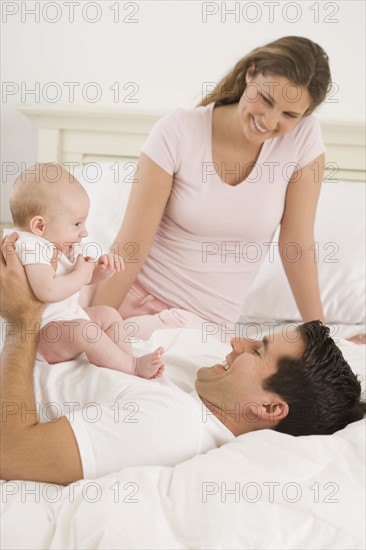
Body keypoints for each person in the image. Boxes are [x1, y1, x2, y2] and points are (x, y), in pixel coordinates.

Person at [1, 233, 365, 485]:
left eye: (257, 351)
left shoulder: (170, 425)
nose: (238, 342)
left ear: (269, 409)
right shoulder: (187, 385)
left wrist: (23, 319)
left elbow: (13, 453)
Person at [92, 36, 333, 339]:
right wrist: (93, 326)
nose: (269, 121)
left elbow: (296, 245)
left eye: (289, 115)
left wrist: (321, 340)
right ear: (250, 72)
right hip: (126, 297)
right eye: (266, 100)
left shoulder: (303, 140)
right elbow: (131, 247)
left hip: (197, 327)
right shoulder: (178, 130)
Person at [4, 164, 164, 379]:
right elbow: (48, 291)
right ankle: (132, 366)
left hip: (63, 322)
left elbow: (79, 279)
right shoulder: (28, 245)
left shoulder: (52, 244)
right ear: (40, 226)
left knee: (108, 314)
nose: (84, 232)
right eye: (77, 224)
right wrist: (80, 274)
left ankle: (123, 363)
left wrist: (100, 272)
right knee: (84, 330)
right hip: (39, 336)